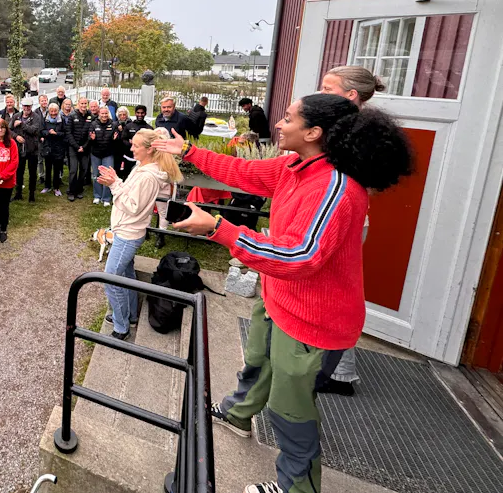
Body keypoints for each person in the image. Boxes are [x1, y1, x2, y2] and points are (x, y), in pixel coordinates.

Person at [154, 94, 412, 493]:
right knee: (257, 362)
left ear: (313, 132)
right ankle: (239, 415)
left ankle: (297, 487)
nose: (279, 123)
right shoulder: (297, 165)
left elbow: (300, 256)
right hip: (279, 300)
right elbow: (244, 171)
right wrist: (189, 151)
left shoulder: (335, 188)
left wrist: (218, 229)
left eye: (289, 118)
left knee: (290, 411)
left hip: (313, 323)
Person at [316, 65, 386, 397]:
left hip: (344, 220)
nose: (322, 91)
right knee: (333, 292)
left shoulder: (358, 133)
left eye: (328, 88)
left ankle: (340, 372)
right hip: (344, 219)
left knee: (336, 295)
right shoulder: (351, 128)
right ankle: (336, 366)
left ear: (351, 95)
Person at [95, 129, 181, 340]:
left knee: (111, 277)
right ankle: (130, 315)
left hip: (128, 234)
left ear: (149, 149)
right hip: (126, 230)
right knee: (126, 275)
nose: (131, 148)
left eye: (135, 146)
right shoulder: (141, 167)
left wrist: (113, 185)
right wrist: (116, 180)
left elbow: (133, 206)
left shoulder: (148, 177)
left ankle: (121, 326)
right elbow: (130, 193)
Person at [11, 96, 43, 201]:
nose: (26, 108)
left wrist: (22, 124)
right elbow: (9, 130)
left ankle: (32, 194)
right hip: (19, 149)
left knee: (32, 173)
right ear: (22, 106)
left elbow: (34, 130)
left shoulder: (36, 117)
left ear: (31, 106)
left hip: (32, 149)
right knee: (19, 172)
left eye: (28, 106)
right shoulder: (16, 116)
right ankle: (18, 193)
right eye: (25, 106)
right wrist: (17, 137)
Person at [89, 106, 120, 206]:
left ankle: (106, 198)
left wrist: (116, 139)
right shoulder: (93, 124)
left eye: (106, 113)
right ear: (99, 114)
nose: (104, 115)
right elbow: (89, 139)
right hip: (96, 154)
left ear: (108, 114)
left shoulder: (113, 124)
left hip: (108, 154)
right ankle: (97, 196)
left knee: (107, 175)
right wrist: (92, 139)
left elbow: (117, 141)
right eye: (102, 113)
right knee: (96, 175)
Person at [65, 97, 92, 201]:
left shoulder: (90, 116)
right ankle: (71, 191)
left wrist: (84, 146)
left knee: (84, 169)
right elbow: (68, 133)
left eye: (85, 103)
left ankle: (79, 190)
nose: (84, 105)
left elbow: (91, 132)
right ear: (78, 104)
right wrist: (77, 147)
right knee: (73, 170)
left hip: (85, 147)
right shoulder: (72, 115)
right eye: (82, 103)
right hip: (73, 147)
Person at [40, 102, 67, 196]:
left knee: (57, 169)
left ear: (58, 111)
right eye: (51, 111)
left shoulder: (61, 120)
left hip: (58, 147)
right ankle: (47, 186)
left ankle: (56, 187)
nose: (53, 113)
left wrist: (56, 133)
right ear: (49, 111)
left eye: (55, 111)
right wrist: (48, 132)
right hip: (48, 146)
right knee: (47, 168)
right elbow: (42, 131)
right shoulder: (45, 119)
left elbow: (64, 133)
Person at [120, 105, 151, 181]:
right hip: (128, 157)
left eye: (142, 113)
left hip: (142, 159)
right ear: (135, 113)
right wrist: (133, 144)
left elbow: (150, 143)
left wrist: (140, 145)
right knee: (126, 178)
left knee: (139, 180)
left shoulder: (149, 128)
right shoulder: (129, 126)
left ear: (145, 113)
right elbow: (123, 139)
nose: (140, 115)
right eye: (138, 113)